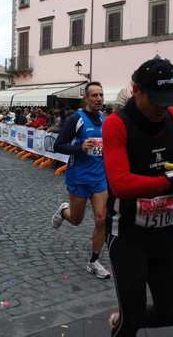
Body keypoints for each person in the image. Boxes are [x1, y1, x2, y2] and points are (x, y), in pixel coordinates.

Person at [102, 58, 173, 336]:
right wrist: (171, 181)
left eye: (168, 100)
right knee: (131, 320)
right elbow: (121, 184)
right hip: (128, 234)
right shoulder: (116, 124)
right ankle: (124, 324)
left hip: (166, 231)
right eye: (156, 99)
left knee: (172, 313)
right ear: (137, 90)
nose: (162, 108)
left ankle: (121, 321)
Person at [51, 81, 111, 280]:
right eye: (94, 95)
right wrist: (81, 147)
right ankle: (63, 210)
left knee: (102, 219)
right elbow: (58, 145)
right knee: (76, 220)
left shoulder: (106, 120)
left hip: (99, 178)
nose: (99, 99)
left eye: (101, 95)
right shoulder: (77, 119)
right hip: (78, 177)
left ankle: (94, 261)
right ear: (86, 98)